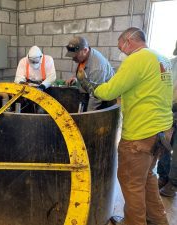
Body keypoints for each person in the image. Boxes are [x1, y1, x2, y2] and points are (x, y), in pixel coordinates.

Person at [76, 27, 173, 225]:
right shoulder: (162, 59)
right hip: (162, 132)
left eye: (121, 47)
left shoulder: (136, 59)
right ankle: (157, 220)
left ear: (129, 41)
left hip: (141, 133)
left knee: (131, 184)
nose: (122, 52)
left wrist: (88, 85)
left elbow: (109, 91)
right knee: (147, 178)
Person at [65, 36, 114, 111]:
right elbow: (82, 69)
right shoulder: (83, 56)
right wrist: (75, 77)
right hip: (90, 93)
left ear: (85, 50)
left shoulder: (97, 67)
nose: (73, 58)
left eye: (75, 55)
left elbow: (96, 97)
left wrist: (88, 116)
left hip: (102, 100)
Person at [157, 40, 177, 197]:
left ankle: (173, 183)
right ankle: (162, 176)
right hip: (167, 109)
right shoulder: (170, 64)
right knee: (163, 144)